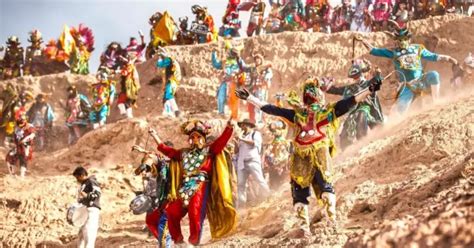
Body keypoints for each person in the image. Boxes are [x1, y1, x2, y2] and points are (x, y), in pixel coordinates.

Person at [235, 76, 383, 234]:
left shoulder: (300, 113)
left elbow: (271, 109)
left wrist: (250, 98)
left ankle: (306, 226)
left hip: (303, 153)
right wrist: (369, 90)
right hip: (318, 152)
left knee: (301, 192)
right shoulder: (326, 111)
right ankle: (328, 221)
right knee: (323, 186)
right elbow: (349, 102)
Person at [149, 118, 236, 246]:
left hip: (201, 183)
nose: (195, 140)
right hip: (184, 186)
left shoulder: (209, 150)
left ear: (204, 138)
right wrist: (154, 135)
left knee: (195, 212)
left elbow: (221, 142)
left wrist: (229, 128)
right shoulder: (183, 153)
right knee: (172, 211)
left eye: (198, 137)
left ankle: (194, 242)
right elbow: (168, 151)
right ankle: (178, 240)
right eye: (193, 137)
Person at [357, 21, 458, 113]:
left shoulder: (417, 48)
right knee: (401, 110)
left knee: (434, 75)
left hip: (421, 80)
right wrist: (363, 41)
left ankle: (437, 102)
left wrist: (448, 58)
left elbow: (433, 56)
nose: (402, 42)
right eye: (400, 40)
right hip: (407, 86)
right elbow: (374, 51)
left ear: (409, 39)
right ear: (396, 40)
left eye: (404, 39)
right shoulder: (393, 52)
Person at [324, 60, 384, 149]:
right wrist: (325, 86)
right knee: (347, 125)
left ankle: (363, 141)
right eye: (354, 77)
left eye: (358, 76)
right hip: (353, 110)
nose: (357, 78)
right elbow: (335, 90)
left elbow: (378, 80)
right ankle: (346, 149)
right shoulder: (349, 88)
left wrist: (377, 73)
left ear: (362, 74)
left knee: (361, 115)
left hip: (367, 108)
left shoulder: (368, 83)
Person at [132, 144, 172, 247]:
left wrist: (145, 159)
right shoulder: (155, 173)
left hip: (169, 202)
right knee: (150, 221)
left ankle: (167, 242)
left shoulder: (167, 165)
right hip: (158, 203)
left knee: (163, 229)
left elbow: (158, 158)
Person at [236, 118, 270, 207]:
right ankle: (241, 205)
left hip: (252, 161)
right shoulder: (241, 136)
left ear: (248, 125)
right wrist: (237, 142)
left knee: (259, 180)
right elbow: (237, 151)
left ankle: (269, 197)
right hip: (242, 163)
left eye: (243, 125)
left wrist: (241, 139)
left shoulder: (255, 134)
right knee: (241, 185)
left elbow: (254, 143)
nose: (241, 127)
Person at [211, 41, 247, 118]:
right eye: (231, 52)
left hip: (235, 83)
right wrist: (213, 53)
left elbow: (244, 68)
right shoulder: (224, 61)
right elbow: (215, 64)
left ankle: (234, 115)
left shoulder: (239, 61)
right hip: (225, 82)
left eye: (233, 52)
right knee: (221, 97)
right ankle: (221, 113)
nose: (231, 53)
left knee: (234, 99)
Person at [72, 166, 101, 248]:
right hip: (85, 211)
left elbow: (97, 194)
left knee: (89, 235)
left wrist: (86, 195)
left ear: (81, 175)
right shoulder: (84, 184)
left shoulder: (91, 181)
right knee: (81, 235)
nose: (77, 180)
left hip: (91, 210)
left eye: (77, 177)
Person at [6, 113, 36, 177]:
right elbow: (14, 137)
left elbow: (32, 135)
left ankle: (22, 175)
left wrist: (24, 140)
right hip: (17, 146)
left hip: (26, 146)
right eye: (19, 123)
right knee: (9, 157)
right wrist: (10, 142)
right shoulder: (17, 128)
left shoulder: (29, 127)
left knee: (23, 158)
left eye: (22, 122)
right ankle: (12, 174)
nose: (20, 125)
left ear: (25, 121)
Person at [247, 52, 272, 124]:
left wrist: (265, 77)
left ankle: (260, 120)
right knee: (255, 104)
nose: (257, 60)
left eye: (258, 59)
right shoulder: (253, 69)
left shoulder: (266, 68)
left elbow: (269, 75)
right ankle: (257, 120)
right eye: (256, 59)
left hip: (262, 89)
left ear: (261, 60)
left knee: (261, 104)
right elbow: (250, 78)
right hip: (254, 89)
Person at [156, 48, 181, 118]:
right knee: (166, 97)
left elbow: (159, 64)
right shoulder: (172, 61)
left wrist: (159, 57)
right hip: (172, 81)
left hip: (172, 81)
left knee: (168, 95)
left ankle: (174, 111)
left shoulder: (169, 60)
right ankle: (169, 112)